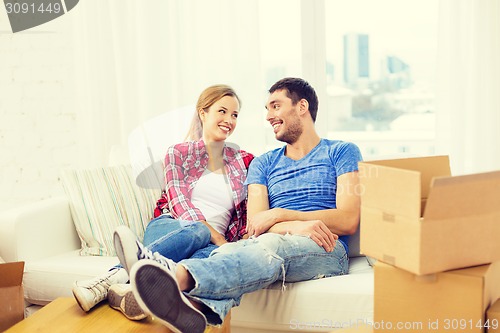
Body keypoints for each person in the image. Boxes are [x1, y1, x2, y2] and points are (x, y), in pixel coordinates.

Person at [114, 77, 363, 333]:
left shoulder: (342, 152)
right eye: (267, 108)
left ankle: (175, 275)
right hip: (271, 241)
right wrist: (298, 226)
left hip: (327, 247)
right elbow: (255, 225)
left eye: (275, 106)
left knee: (268, 244)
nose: (268, 116)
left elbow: (348, 219)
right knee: (233, 250)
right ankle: (190, 307)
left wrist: (279, 215)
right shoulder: (262, 164)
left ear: (302, 106)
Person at [71, 84, 254, 320]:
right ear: (203, 113)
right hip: (172, 228)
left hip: (210, 246)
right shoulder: (178, 153)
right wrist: (217, 237)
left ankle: (128, 293)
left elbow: (252, 206)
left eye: (235, 114)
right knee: (198, 229)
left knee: (204, 264)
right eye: (222, 111)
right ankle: (109, 278)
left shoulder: (243, 161)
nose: (229, 119)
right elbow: (179, 203)